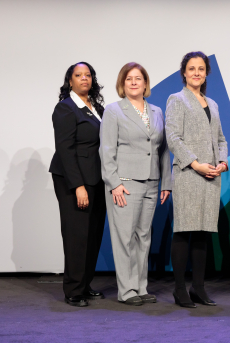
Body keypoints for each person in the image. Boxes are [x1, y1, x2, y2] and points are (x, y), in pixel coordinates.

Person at [100, 62, 172, 306]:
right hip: (125, 184)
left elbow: (162, 151)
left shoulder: (157, 112)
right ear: (122, 83)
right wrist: (114, 184)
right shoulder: (113, 111)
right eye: (128, 78)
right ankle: (127, 291)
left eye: (138, 78)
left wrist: (166, 183)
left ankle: (140, 287)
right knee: (125, 238)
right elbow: (107, 151)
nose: (133, 82)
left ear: (145, 83)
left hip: (152, 183)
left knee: (144, 237)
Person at [165, 51, 228, 308]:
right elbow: (173, 138)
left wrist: (222, 162)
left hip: (211, 176)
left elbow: (221, 139)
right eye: (192, 69)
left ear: (206, 73)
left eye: (201, 69)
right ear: (184, 72)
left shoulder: (212, 104)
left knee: (203, 233)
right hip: (189, 174)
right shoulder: (176, 99)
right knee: (184, 231)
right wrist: (196, 164)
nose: (196, 73)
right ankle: (180, 290)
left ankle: (198, 288)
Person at [49, 61, 106, 307]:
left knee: (93, 233)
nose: (84, 78)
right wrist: (78, 186)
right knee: (77, 234)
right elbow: (64, 149)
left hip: (96, 177)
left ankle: (85, 283)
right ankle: (73, 290)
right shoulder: (65, 108)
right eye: (78, 75)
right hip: (73, 179)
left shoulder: (98, 108)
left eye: (88, 75)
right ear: (70, 81)